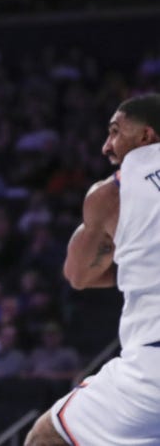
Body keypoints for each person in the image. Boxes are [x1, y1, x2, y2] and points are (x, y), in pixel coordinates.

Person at [25, 94, 160, 445]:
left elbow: (78, 275)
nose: (106, 146)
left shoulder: (114, 192)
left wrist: (135, 267)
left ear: (146, 137)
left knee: (46, 437)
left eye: (115, 132)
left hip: (153, 372)